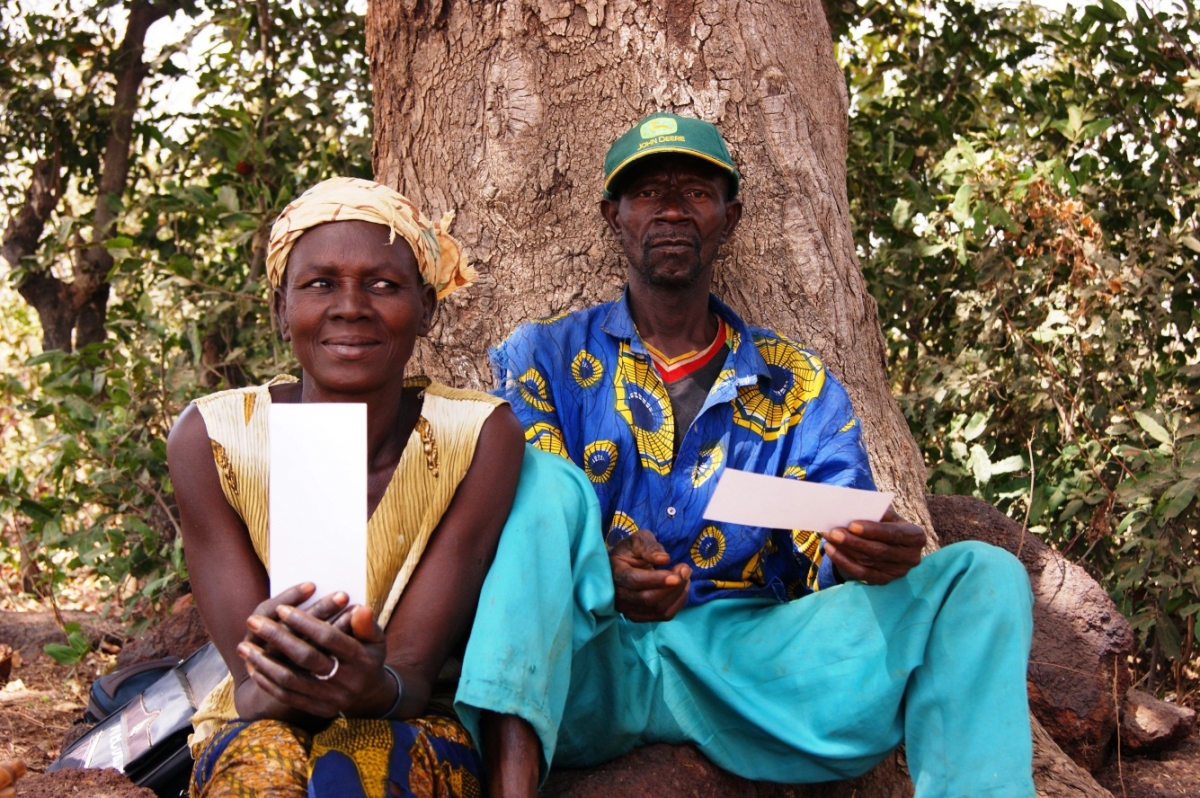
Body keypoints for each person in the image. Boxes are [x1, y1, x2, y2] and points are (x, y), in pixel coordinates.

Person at [455, 114, 1037, 797]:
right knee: (542, 484)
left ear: (730, 216)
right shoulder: (542, 359)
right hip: (578, 661)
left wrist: (859, 556)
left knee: (984, 577)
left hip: (753, 673)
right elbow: (525, 526)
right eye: (647, 193)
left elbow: (829, 535)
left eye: (696, 192)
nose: (671, 209)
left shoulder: (800, 383)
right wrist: (598, 574)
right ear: (613, 216)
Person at [168, 176, 567, 798]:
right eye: (320, 284)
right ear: (281, 308)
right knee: (262, 774)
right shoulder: (214, 438)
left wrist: (369, 684)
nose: (351, 306)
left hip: (411, 720)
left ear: (427, 309)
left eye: (383, 285)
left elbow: (410, 676)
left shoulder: (478, 436)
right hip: (254, 722)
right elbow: (249, 691)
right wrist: (281, 675)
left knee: (360, 773)